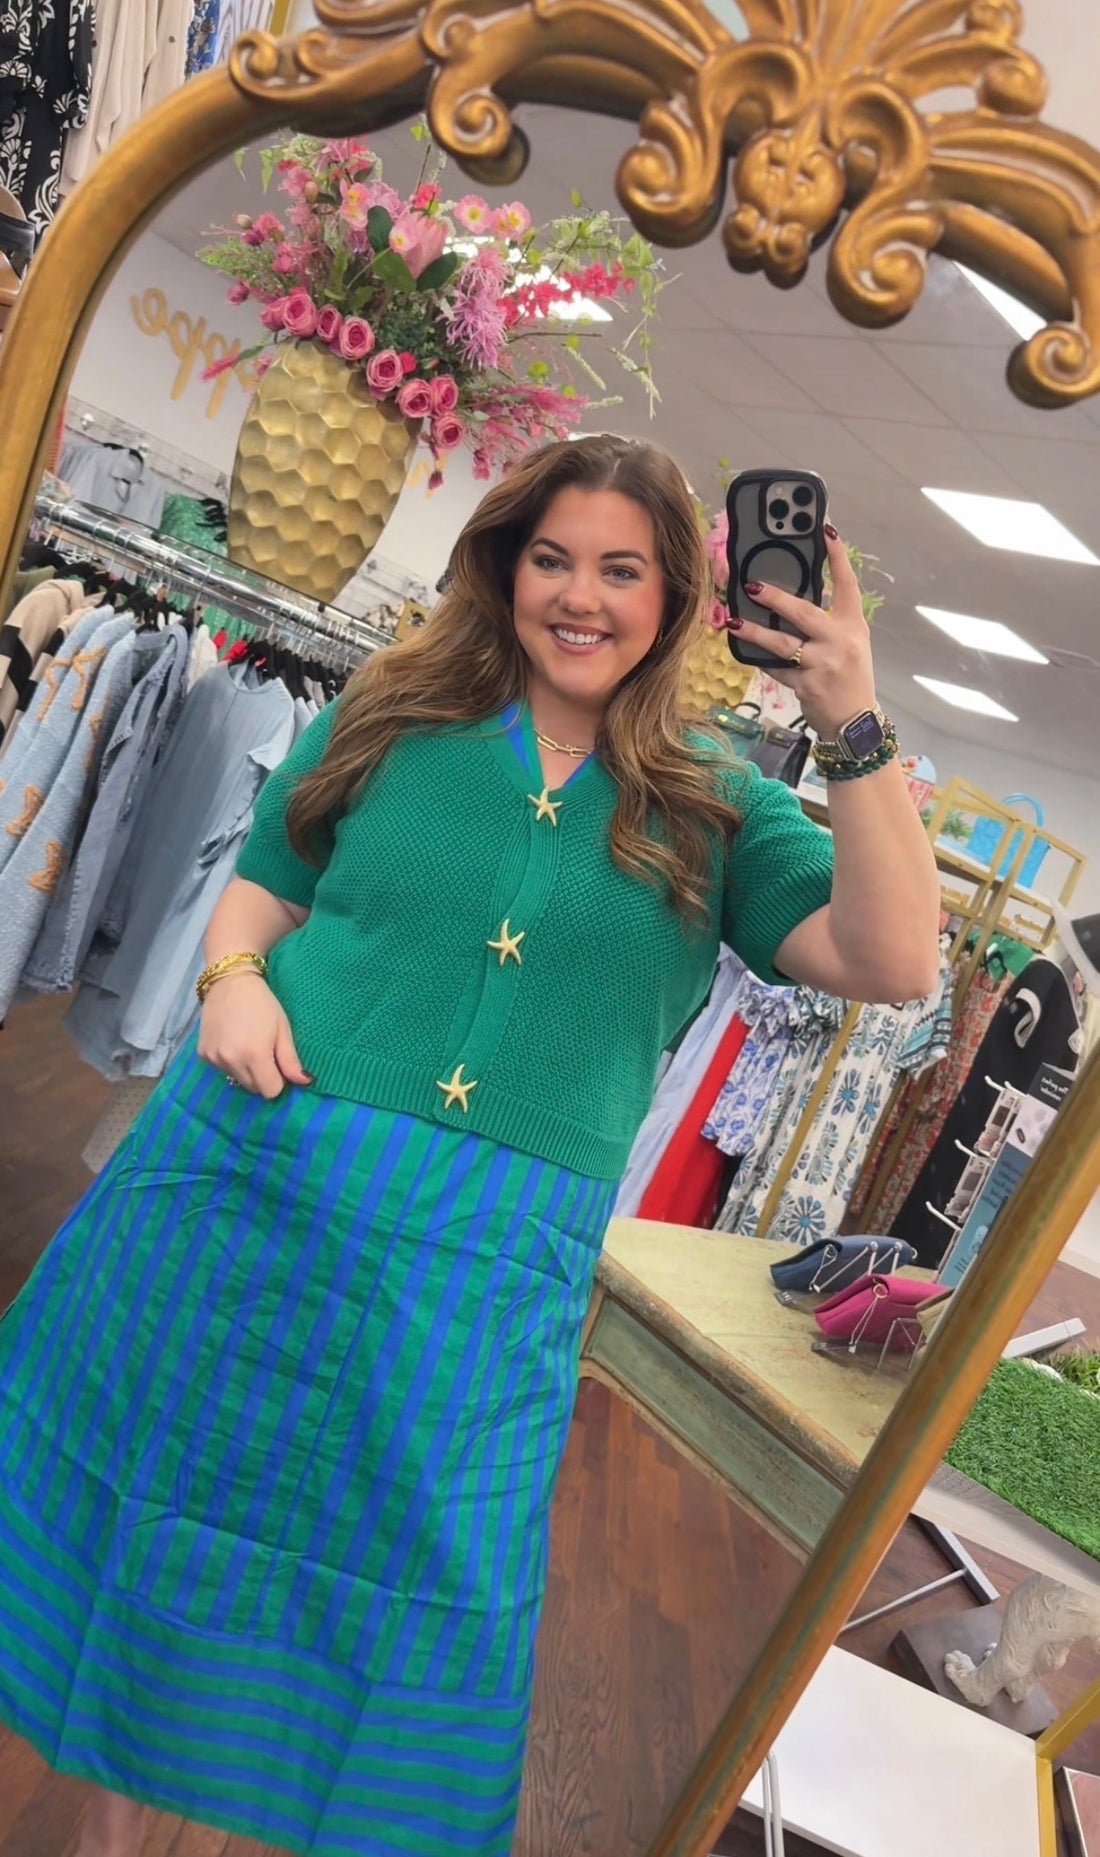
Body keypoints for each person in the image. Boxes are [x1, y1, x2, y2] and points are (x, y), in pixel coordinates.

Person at [0, 434, 939, 1857]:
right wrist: (229, 983)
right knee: (157, 1501)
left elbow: (895, 955)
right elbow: (260, 887)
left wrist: (852, 717)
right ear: (504, 568)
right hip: (248, 1183)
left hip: (484, 1263)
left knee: (401, 1578)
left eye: (622, 569)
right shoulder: (386, 707)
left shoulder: (720, 805)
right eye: (550, 557)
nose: (580, 595)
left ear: (678, 597)